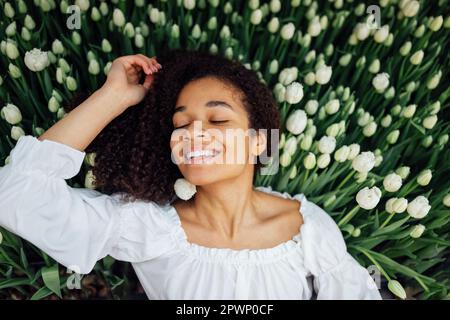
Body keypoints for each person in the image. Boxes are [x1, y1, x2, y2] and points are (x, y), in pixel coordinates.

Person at [0, 49, 382, 300]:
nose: (194, 134)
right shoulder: (148, 225)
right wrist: (114, 96)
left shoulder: (304, 226)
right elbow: (16, 197)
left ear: (258, 142)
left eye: (217, 119)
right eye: (180, 124)